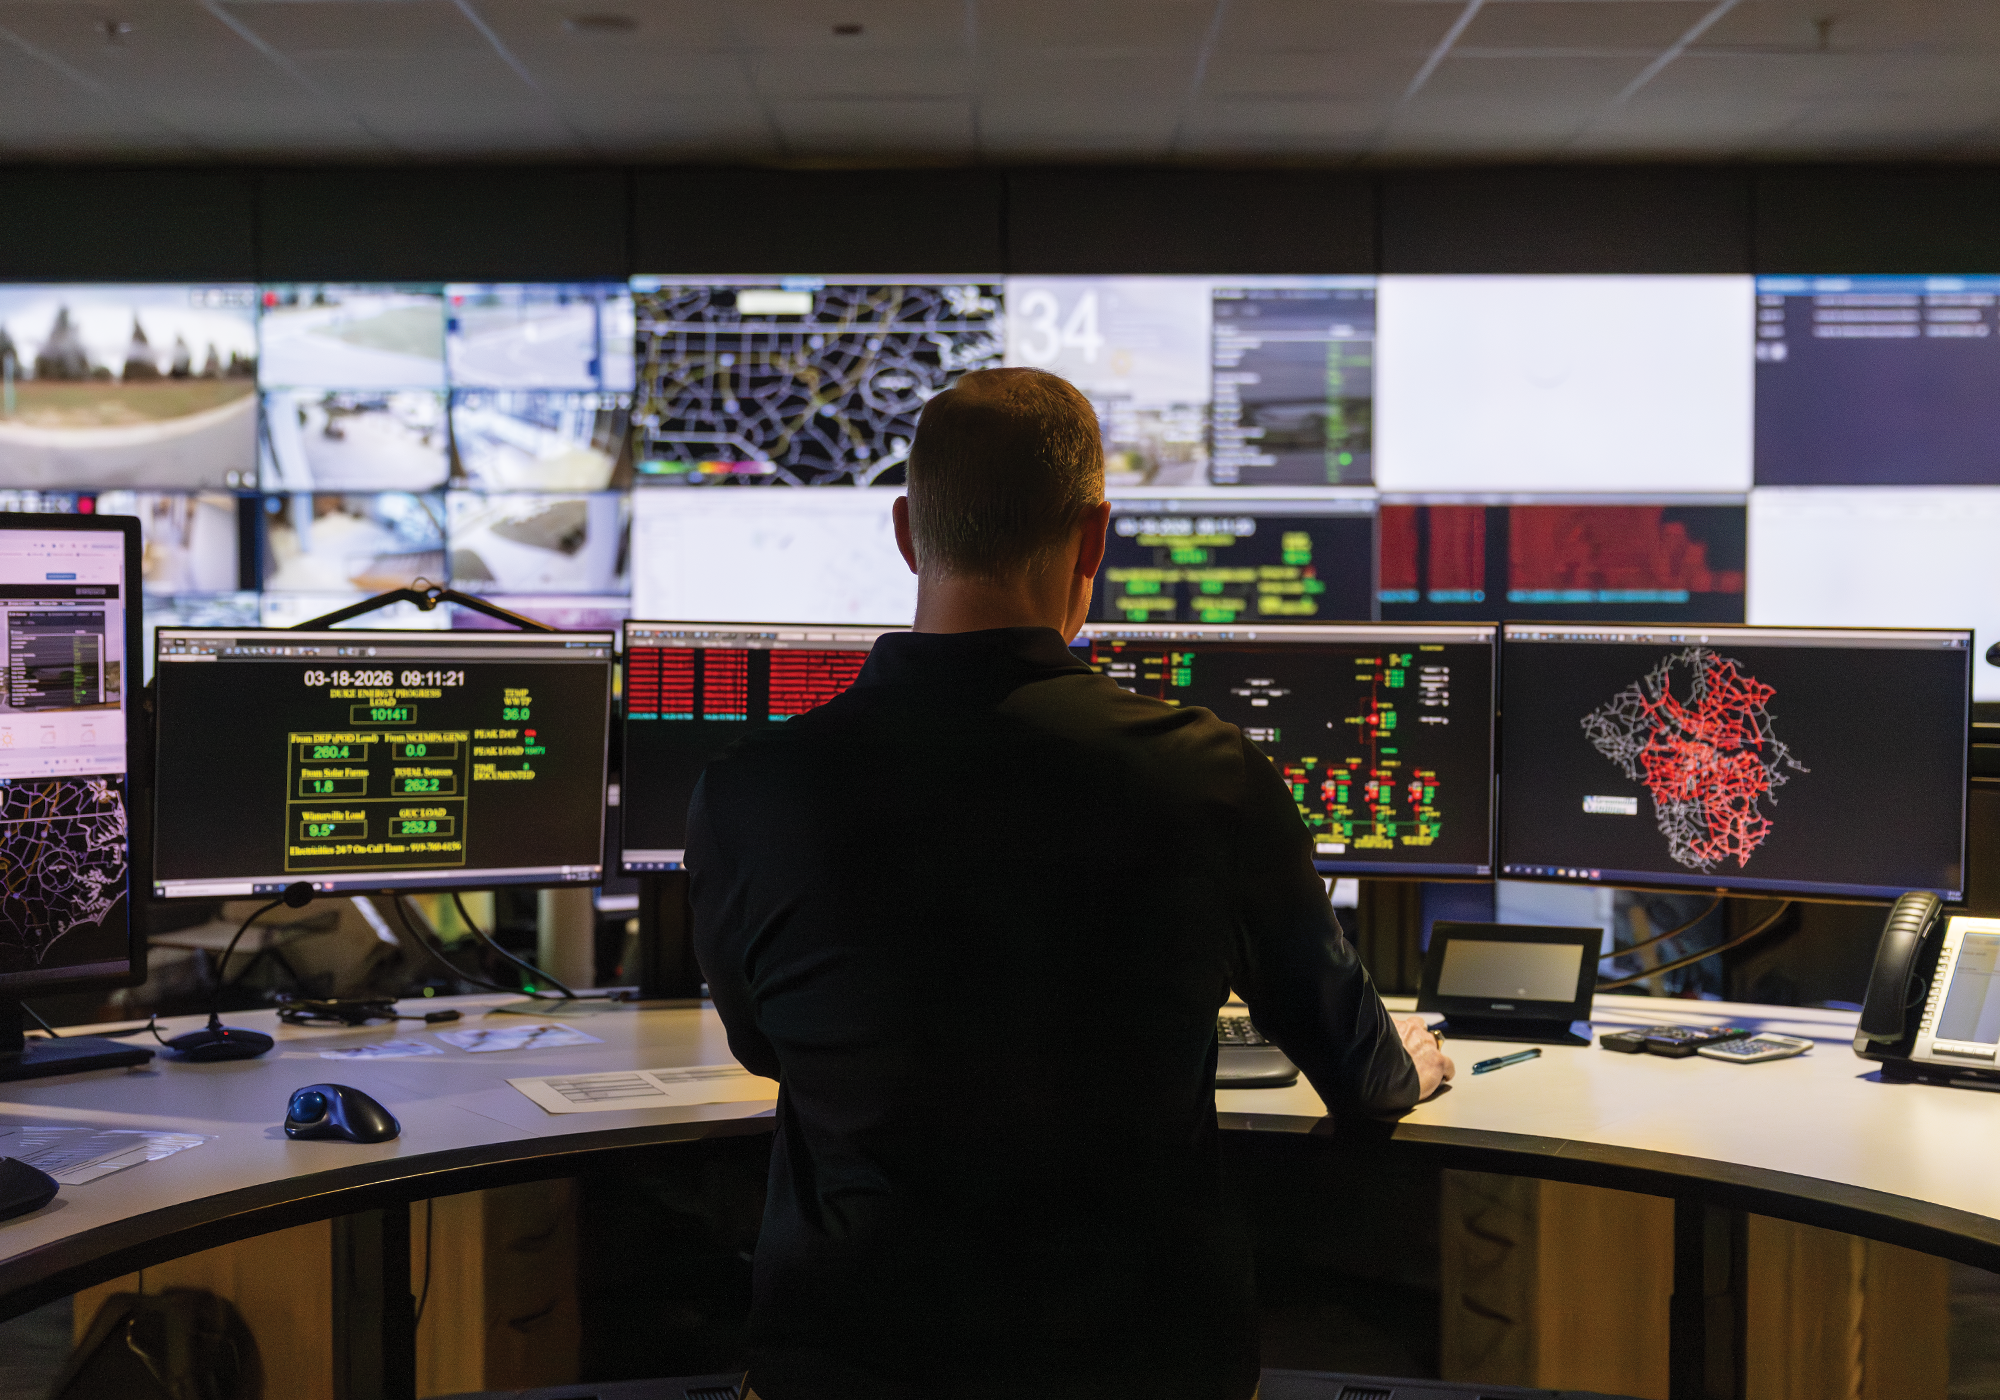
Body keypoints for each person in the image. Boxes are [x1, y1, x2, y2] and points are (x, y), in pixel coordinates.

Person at [688, 367, 1454, 1400]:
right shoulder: (1206, 773)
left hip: (846, 1359)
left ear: (907, 531)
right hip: (1140, 1364)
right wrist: (1405, 1058)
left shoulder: (750, 791)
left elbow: (761, 1044)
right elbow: (1356, 1074)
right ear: (1094, 537)